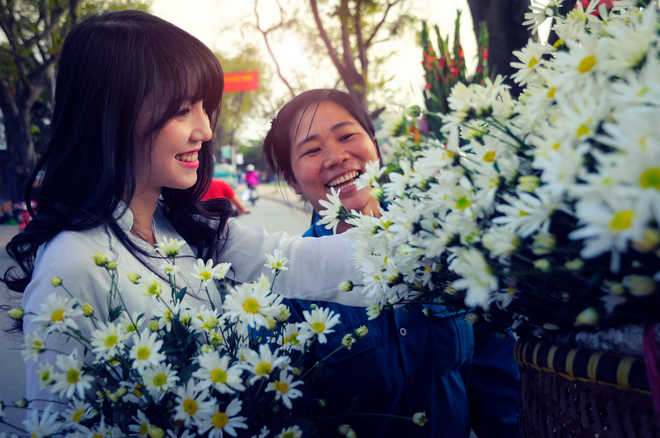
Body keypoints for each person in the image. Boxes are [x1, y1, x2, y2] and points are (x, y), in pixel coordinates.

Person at [2, 11, 366, 408]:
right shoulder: (71, 265)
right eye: (181, 110)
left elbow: (303, 263)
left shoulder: (185, 228)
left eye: (203, 108)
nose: (205, 131)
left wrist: (428, 240)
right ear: (112, 115)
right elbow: (59, 420)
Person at [263, 89, 521, 437]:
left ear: (374, 144)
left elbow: (497, 378)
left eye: (347, 136)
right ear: (292, 180)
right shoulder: (288, 284)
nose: (336, 156)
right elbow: (289, 417)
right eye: (312, 149)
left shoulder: (442, 238)